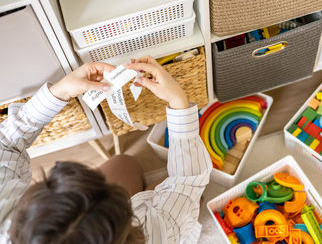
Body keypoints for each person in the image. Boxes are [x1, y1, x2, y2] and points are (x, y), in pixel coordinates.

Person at [0, 56, 212, 243]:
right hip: (161, 225)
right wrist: (178, 100)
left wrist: (60, 91)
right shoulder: (158, 234)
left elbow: (5, 143)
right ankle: (152, 197)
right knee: (185, 200)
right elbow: (187, 182)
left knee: (124, 164)